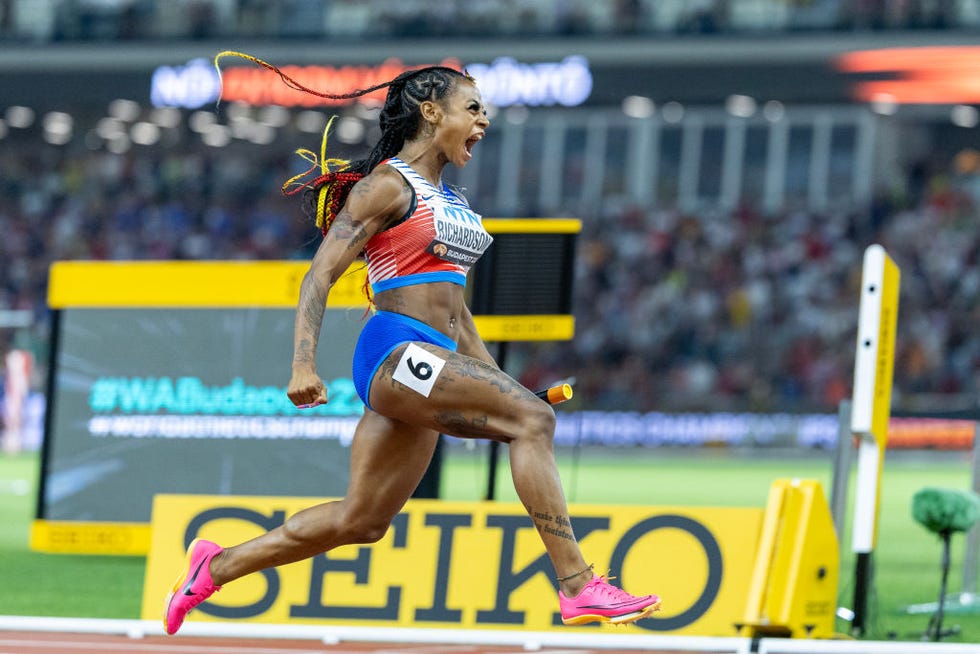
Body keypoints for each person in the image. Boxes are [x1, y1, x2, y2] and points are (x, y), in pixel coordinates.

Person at [164, 55, 661, 635]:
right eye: (473, 109)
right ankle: (578, 585)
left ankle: (214, 567)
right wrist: (303, 364)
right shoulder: (386, 187)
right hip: (395, 351)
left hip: (432, 357)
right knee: (533, 422)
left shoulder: (452, 200)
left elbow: (459, 312)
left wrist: (500, 383)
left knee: (362, 519)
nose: (484, 121)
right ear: (431, 112)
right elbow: (319, 276)